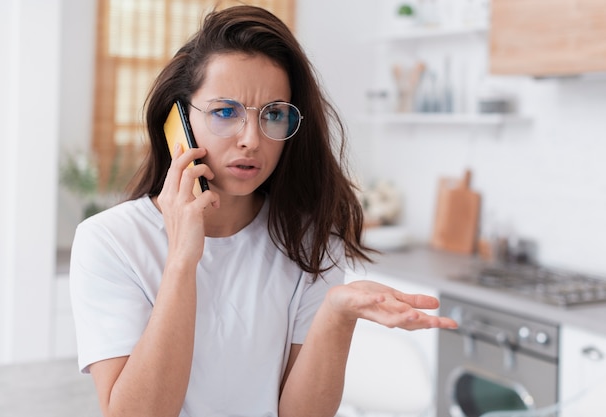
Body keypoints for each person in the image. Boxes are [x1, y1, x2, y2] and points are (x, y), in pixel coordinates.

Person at [69, 5, 457, 417]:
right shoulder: (110, 241)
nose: (251, 140)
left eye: (273, 114)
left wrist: (336, 317)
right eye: (225, 112)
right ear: (177, 121)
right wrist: (183, 258)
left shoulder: (311, 241)